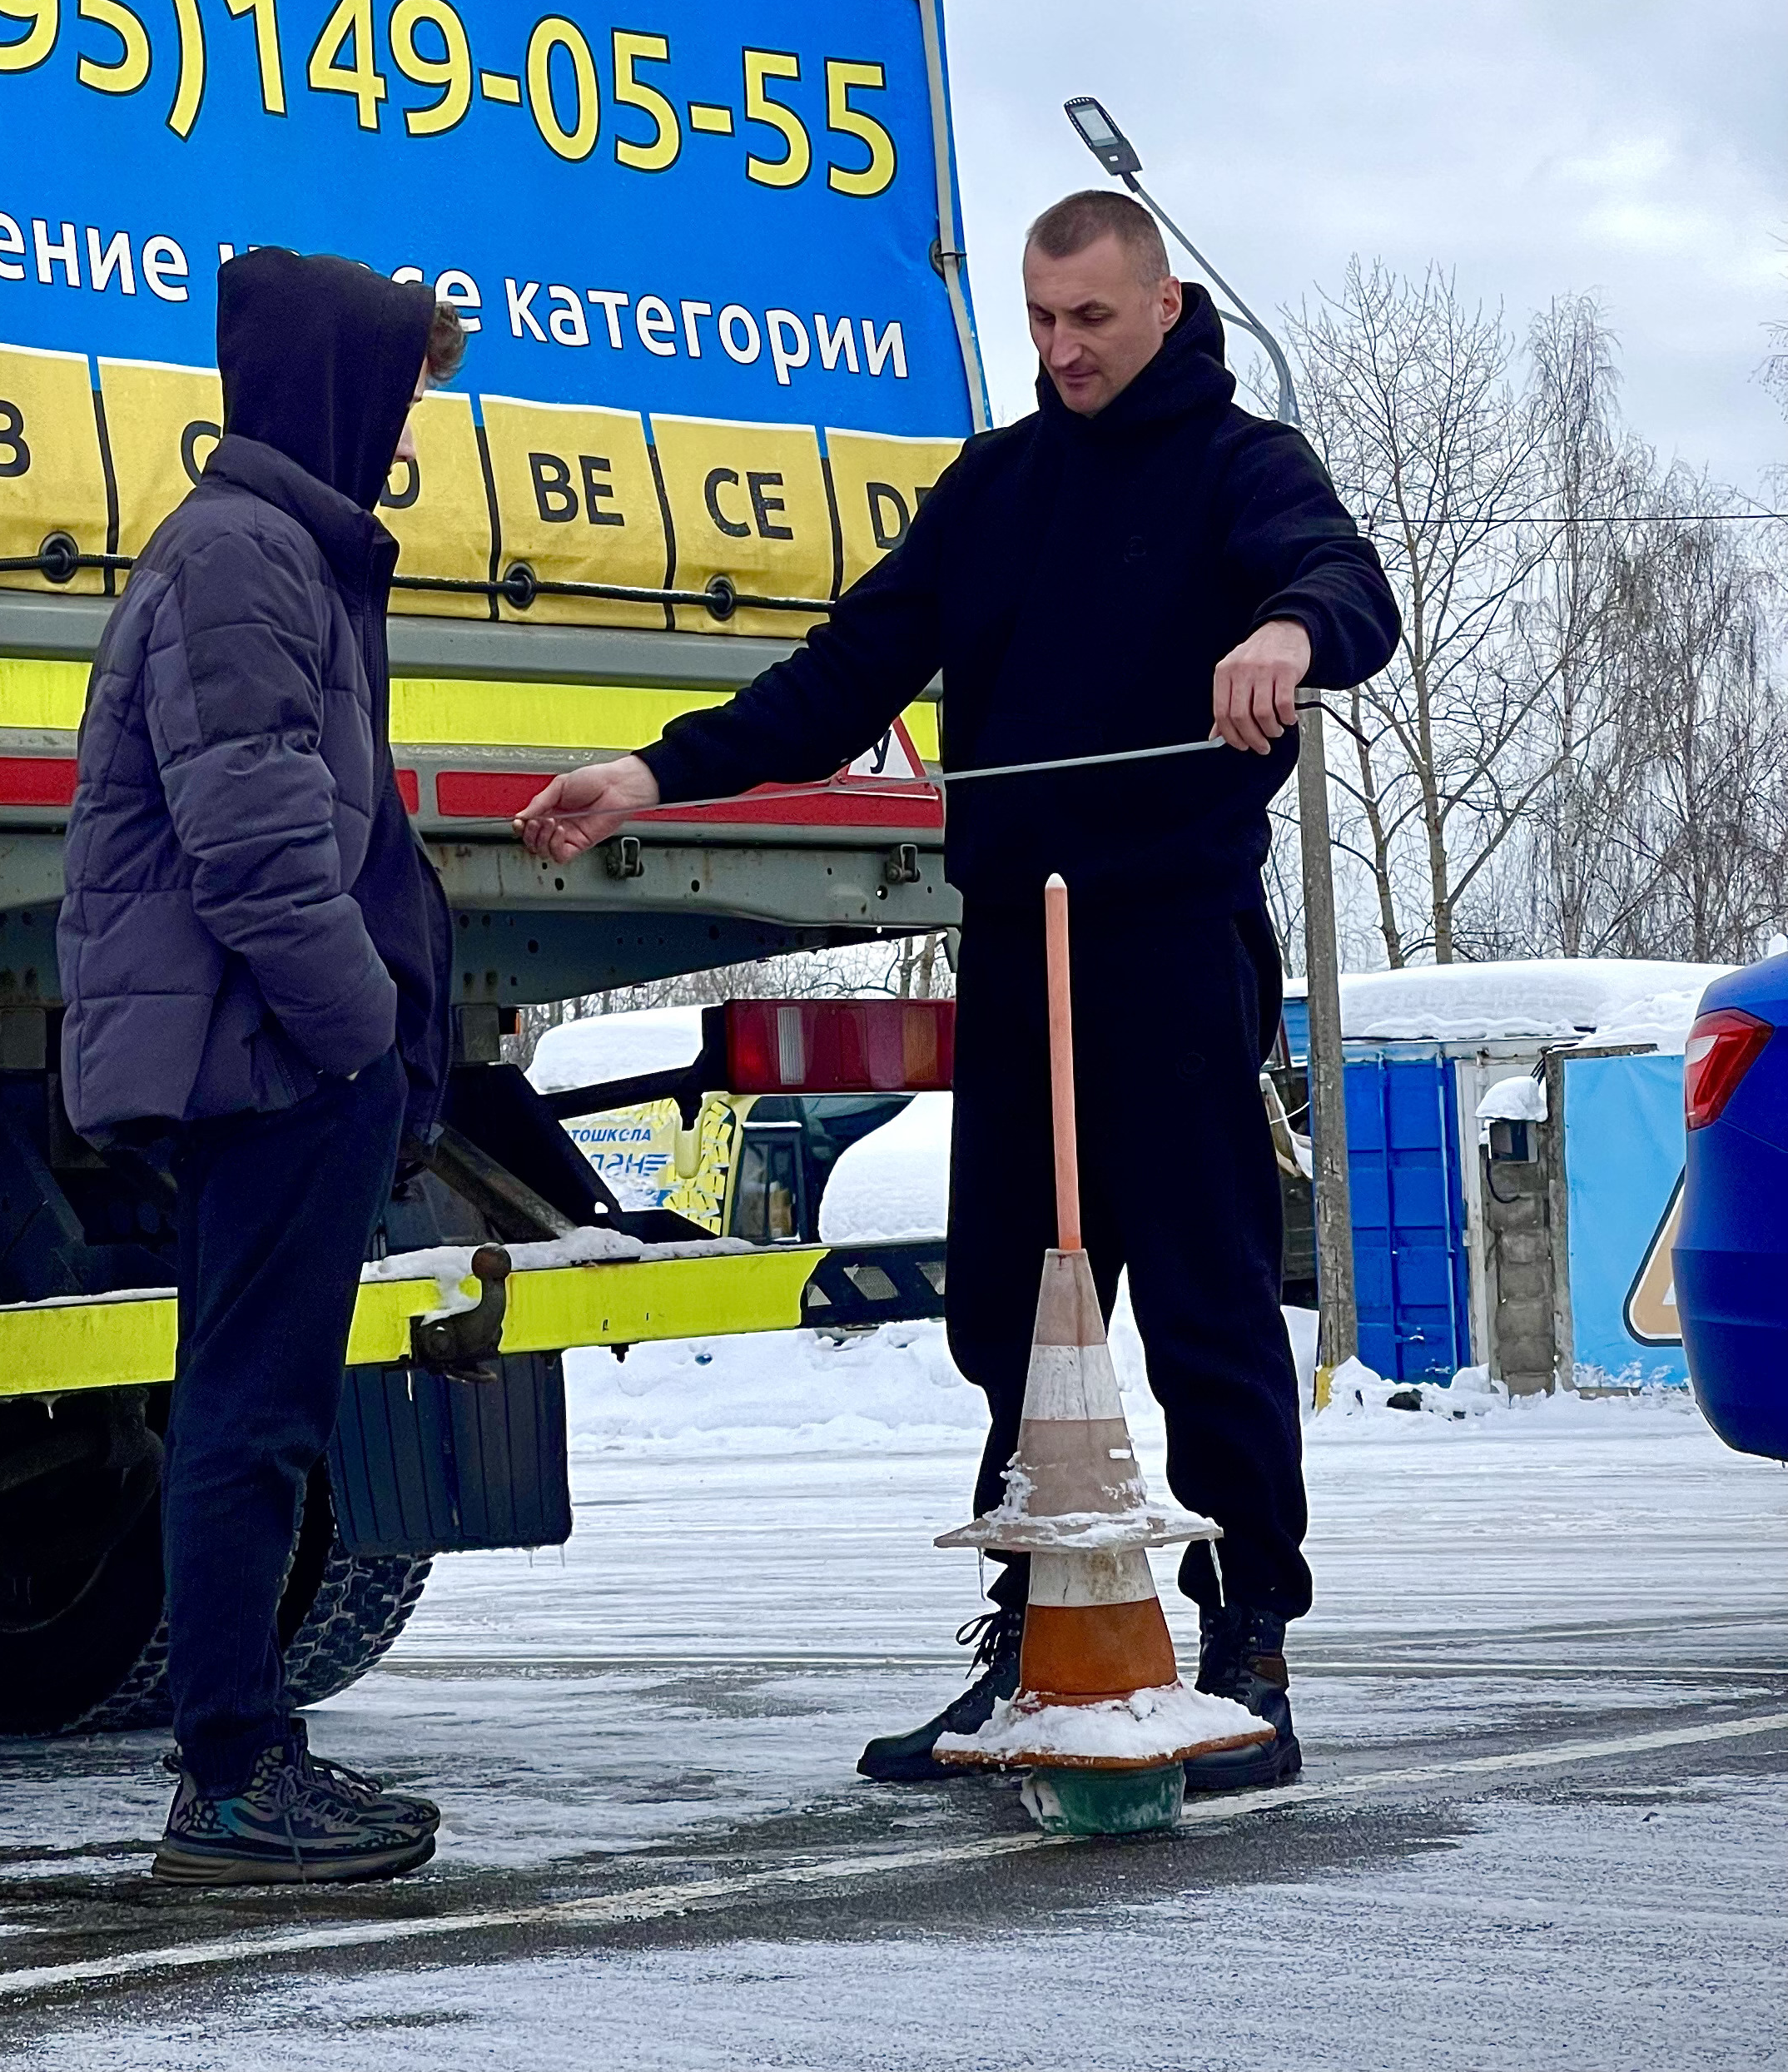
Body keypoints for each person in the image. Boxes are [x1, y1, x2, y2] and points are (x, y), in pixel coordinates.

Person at [515, 191, 1399, 1794]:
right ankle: (1034, 1638)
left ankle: (1248, 1639)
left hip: (1171, 942)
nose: (1062, 349)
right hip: (1015, 947)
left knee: (1205, 1307)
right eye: (1040, 319)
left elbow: (1348, 587)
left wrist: (1284, 628)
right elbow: (841, 677)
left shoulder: (1243, 465)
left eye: (1092, 319)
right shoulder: (993, 488)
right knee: (1011, 1313)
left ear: (1164, 306)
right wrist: (650, 773)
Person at [57, 248, 462, 1884]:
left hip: (284, 1054)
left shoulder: (281, 549)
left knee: (260, 1415)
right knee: (249, 1420)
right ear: (333, 392)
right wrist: (362, 1038)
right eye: (394, 395)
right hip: (277, 1059)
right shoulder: (243, 557)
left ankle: (247, 1759)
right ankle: (230, 1782)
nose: (402, 433)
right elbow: (257, 855)